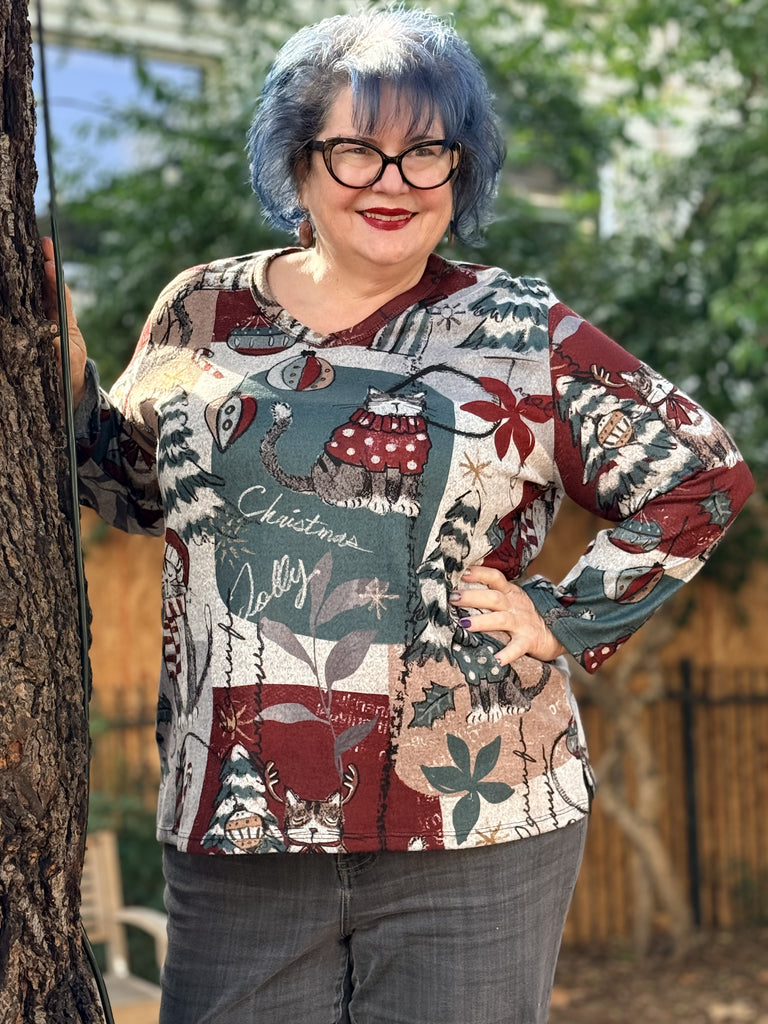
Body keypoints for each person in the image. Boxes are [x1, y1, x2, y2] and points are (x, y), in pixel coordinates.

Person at [45, 7, 754, 1023]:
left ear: (460, 170)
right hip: (239, 817)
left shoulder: (519, 330)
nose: (394, 181)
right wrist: (67, 379)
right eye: (356, 150)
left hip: (477, 821)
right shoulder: (204, 310)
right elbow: (136, 486)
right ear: (299, 161)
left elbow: (702, 475)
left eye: (427, 151)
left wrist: (561, 613)